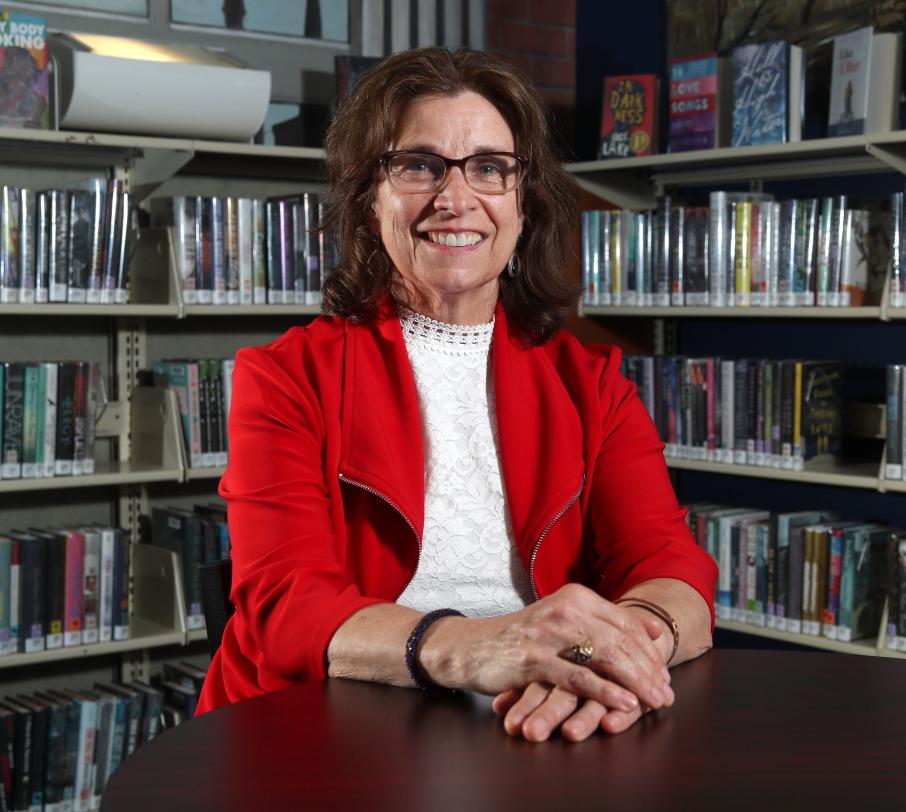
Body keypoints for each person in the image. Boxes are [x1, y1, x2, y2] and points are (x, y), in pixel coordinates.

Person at [197, 47, 717, 744]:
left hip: (534, 724)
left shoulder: (591, 383)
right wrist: (479, 647)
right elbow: (288, 607)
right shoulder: (287, 376)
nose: (456, 198)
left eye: (490, 168)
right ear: (368, 197)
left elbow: (669, 566)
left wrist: (623, 653)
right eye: (418, 165)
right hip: (332, 731)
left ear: (523, 204)